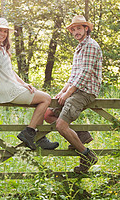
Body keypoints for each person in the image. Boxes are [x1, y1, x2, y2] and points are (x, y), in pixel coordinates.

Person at [0, 17, 59, 150]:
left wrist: (24, 84)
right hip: (4, 89)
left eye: (5, 31)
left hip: (12, 86)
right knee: (46, 98)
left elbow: (10, 72)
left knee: (41, 99)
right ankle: (30, 132)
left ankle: (40, 138)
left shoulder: (2, 48)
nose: (2, 34)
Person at [46, 15, 102, 173]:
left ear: (86, 28)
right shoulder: (79, 48)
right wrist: (61, 92)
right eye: (73, 29)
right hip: (76, 89)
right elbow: (73, 76)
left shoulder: (90, 45)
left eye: (79, 28)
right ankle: (81, 135)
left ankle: (87, 155)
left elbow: (84, 74)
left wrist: (68, 93)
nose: (76, 31)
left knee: (61, 126)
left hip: (85, 91)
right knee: (49, 114)